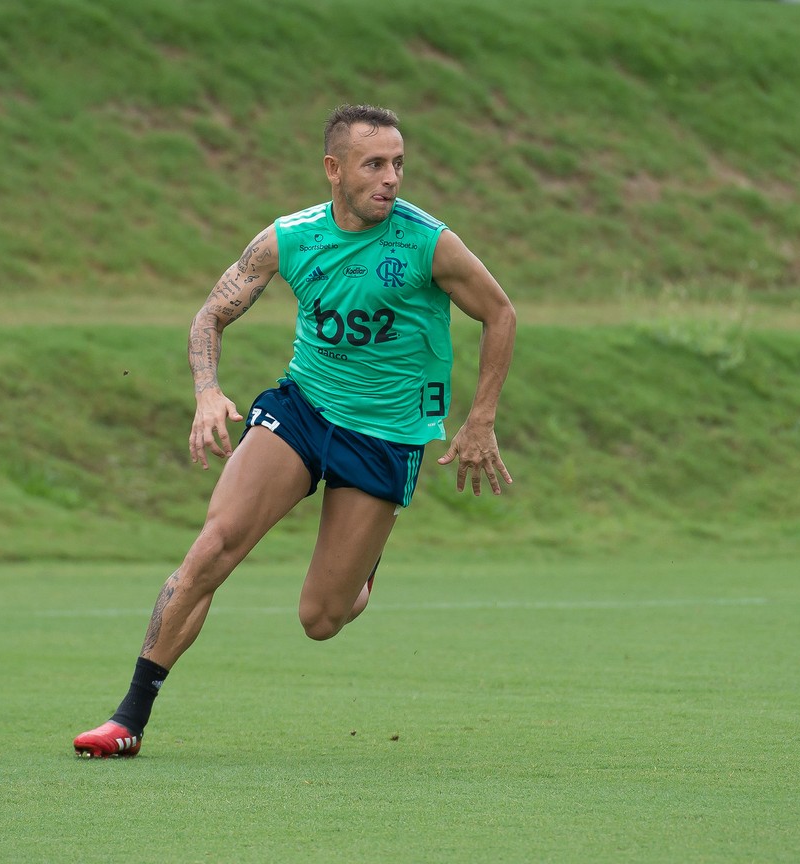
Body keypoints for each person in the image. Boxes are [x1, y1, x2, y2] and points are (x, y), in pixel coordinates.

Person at [73, 104, 516, 758]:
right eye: (374, 164)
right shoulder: (289, 238)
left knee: (321, 619)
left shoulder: (428, 243)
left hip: (385, 437)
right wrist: (206, 393)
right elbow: (209, 317)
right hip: (302, 411)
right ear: (334, 169)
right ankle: (128, 717)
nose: (390, 178)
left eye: (398, 163)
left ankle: (362, 566)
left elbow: (500, 313)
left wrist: (480, 420)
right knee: (213, 548)